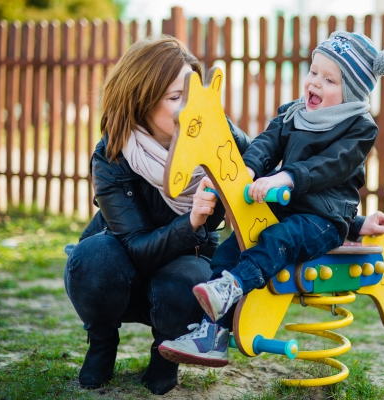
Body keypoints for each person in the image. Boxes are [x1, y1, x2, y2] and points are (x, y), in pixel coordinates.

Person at [157, 31, 384, 367]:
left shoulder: (359, 128)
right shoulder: (292, 113)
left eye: (329, 80)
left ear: (351, 93)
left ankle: (235, 286)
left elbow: (331, 165)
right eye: (313, 72)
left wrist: (287, 177)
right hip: (287, 209)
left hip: (323, 222)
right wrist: (250, 170)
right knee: (229, 249)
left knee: (279, 238)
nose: (314, 83)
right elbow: (266, 144)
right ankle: (212, 336)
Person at [63, 36, 251, 395]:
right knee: (92, 259)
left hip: (181, 270)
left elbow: (271, 176)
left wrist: (348, 222)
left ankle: (165, 354)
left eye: (191, 95)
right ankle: (102, 343)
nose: (188, 108)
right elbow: (134, 245)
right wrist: (191, 221)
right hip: (122, 269)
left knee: (193, 281)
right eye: (174, 97)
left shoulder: (218, 135)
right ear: (142, 101)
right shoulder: (113, 154)